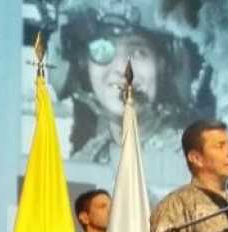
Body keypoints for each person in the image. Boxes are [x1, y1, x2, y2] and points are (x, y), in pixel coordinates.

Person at [53, 0, 213, 165]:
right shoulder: (89, 156)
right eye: (102, 49)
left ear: (166, 66)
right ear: (83, 64)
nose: (121, 69)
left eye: (138, 52)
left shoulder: (191, 160)